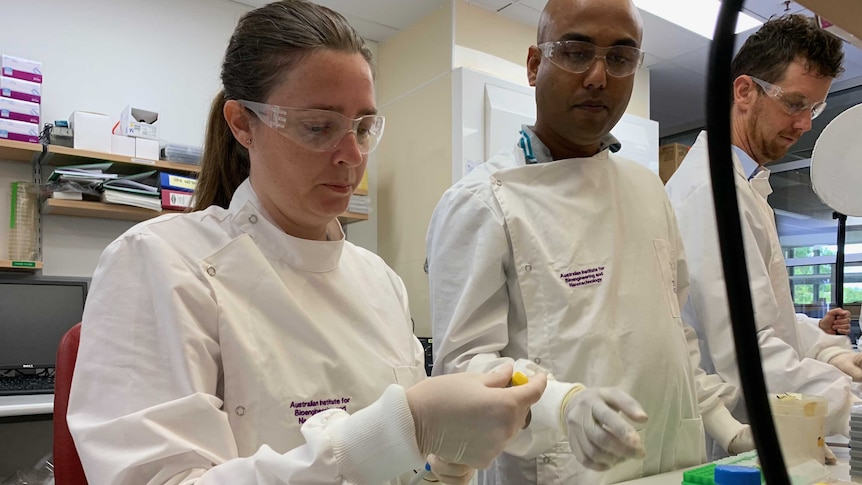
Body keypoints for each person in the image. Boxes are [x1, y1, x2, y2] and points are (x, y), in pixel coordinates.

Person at [65, 1, 547, 484]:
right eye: (319, 127)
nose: (352, 155)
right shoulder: (159, 262)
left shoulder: (380, 281)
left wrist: (447, 459)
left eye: (362, 127)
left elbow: (408, 472)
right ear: (242, 123)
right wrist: (403, 428)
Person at [426, 0, 752, 483]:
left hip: (673, 462)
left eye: (620, 58)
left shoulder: (647, 190)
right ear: (535, 64)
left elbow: (673, 337)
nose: (599, 77)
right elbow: (467, 370)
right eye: (576, 52)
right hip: (564, 469)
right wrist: (563, 404)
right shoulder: (480, 202)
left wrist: (729, 428)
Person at [665, 13, 861, 459]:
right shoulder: (712, 193)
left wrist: (832, 357)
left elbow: (771, 320)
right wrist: (847, 401)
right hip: (725, 441)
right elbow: (746, 356)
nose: (805, 124)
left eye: (814, 108)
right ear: (744, 91)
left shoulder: (747, 185)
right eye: (794, 104)